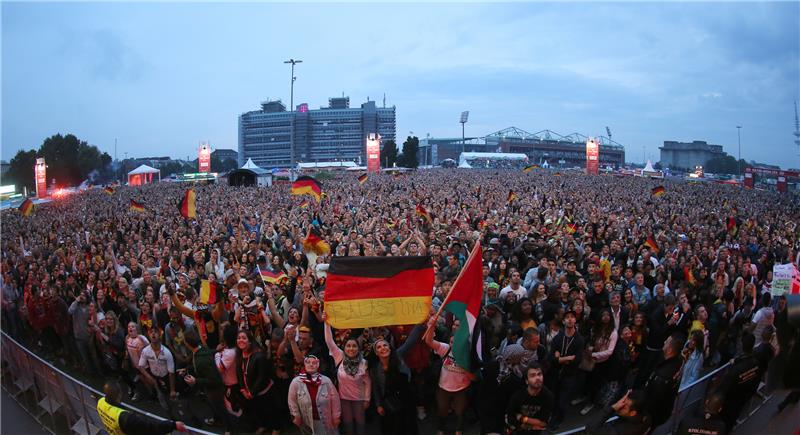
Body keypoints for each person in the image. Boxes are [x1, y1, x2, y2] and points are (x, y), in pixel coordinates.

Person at [424, 316, 473, 435]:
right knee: (442, 410)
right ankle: (441, 429)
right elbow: (429, 341)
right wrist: (431, 326)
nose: (454, 345)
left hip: (461, 389)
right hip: (443, 387)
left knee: (460, 412)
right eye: (451, 342)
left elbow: (475, 377)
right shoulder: (445, 349)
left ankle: (459, 430)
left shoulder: (470, 354)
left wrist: (465, 368)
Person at [323, 312, 370, 435]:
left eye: (354, 346)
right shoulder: (339, 356)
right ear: (344, 348)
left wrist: (367, 399)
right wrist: (326, 322)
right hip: (343, 399)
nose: (351, 348)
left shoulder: (363, 362)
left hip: (359, 400)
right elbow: (329, 340)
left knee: (360, 424)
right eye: (348, 346)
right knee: (348, 425)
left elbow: (367, 382)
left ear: (358, 348)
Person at [97, 380, 187, 435]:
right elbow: (150, 426)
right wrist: (173, 425)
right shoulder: (124, 417)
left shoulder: (100, 402)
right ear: (119, 395)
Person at [235, 329, 279, 434]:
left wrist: (251, 392)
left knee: (270, 411)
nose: (240, 340)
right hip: (250, 394)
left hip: (264, 392)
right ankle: (263, 425)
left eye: (244, 338)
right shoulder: (240, 356)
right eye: (239, 338)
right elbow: (240, 374)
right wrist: (242, 390)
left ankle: (276, 428)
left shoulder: (259, 356)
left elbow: (262, 377)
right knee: (259, 412)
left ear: (250, 341)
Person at [288, 354, 342, 435]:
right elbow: (292, 401)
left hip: (325, 421)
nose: (311, 364)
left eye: (314, 362)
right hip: (306, 422)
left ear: (318, 365)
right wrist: (296, 415)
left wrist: (336, 416)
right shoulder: (296, 382)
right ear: (304, 364)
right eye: (308, 362)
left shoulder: (326, 381)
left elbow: (335, 400)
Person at [182, 329, 225, 428]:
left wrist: (195, 381)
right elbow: (207, 354)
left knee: (219, 408)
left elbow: (214, 380)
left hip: (214, 390)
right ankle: (217, 419)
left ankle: (227, 428)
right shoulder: (201, 350)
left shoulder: (200, 360)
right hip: (210, 389)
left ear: (187, 344)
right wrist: (187, 369)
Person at [643, 332, 685, 429]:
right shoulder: (679, 360)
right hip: (663, 411)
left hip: (652, 416)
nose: (664, 342)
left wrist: (643, 415)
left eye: (667, 341)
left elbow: (653, 402)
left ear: (670, 349)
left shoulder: (662, 377)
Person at [504, 362, 554, 434]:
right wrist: (531, 425)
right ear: (526, 381)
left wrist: (522, 418)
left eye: (539, 374)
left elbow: (543, 424)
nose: (537, 378)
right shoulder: (517, 396)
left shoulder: (548, 396)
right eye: (532, 375)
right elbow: (510, 418)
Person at [137, 327, 177, 410]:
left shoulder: (167, 352)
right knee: (162, 398)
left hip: (166, 378)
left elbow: (171, 372)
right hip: (155, 377)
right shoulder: (145, 351)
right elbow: (141, 366)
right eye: (151, 332)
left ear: (159, 335)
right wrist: (150, 377)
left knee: (173, 399)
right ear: (148, 335)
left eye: (155, 332)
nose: (153, 334)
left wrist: (172, 390)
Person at [585, 389, 651, 435]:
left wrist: (613, 407)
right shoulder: (646, 417)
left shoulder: (619, 431)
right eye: (623, 401)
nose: (619, 405)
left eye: (624, 406)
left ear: (632, 413)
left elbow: (591, 428)